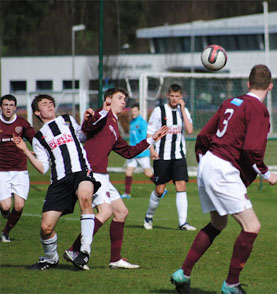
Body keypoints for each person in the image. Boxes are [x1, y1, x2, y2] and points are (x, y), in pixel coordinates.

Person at [170, 64, 277, 294]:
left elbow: (203, 136)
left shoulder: (231, 101)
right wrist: (266, 173)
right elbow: (251, 148)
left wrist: (205, 162)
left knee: (218, 223)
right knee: (252, 227)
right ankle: (231, 284)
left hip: (209, 161)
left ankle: (183, 274)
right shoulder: (258, 109)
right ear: (270, 87)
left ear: (248, 84)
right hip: (223, 168)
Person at [63, 88, 167, 270]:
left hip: (103, 175)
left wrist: (152, 140)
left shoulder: (113, 122)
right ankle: (74, 250)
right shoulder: (100, 117)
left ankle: (115, 259)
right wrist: (98, 112)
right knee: (105, 212)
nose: (124, 101)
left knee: (121, 212)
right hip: (92, 173)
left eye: (125, 98)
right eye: (120, 98)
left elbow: (127, 152)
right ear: (108, 100)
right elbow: (87, 127)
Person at [14, 94, 100, 270]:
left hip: (81, 171)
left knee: (85, 197)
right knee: (46, 228)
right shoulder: (39, 138)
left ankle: (84, 251)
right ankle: (50, 258)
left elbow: (82, 137)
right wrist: (25, 150)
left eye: (51, 102)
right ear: (38, 112)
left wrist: (85, 122)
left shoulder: (67, 120)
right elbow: (42, 168)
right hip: (60, 181)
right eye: (44, 104)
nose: (49, 105)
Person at [143, 84, 195, 231]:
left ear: (181, 97)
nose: (174, 99)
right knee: (159, 190)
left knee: (181, 185)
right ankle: (149, 216)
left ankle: (183, 222)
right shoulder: (159, 111)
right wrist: (151, 150)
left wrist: (183, 110)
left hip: (178, 155)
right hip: (162, 156)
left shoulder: (183, 111)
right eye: (172, 96)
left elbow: (190, 130)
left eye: (177, 96)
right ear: (167, 95)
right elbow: (150, 133)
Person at [0, 94, 36, 242]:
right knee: (6, 206)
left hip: (20, 170)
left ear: (15, 107)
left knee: (19, 206)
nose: (8, 108)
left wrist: (36, 152)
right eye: (5, 105)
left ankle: (5, 233)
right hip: (2, 171)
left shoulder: (22, 124)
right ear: (1, 107)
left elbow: (35, 139)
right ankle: (3, 209)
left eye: (11, 105)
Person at [120, 104, 154, 199]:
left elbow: (145, 138)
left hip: (142, 152)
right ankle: (127, 193)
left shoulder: (142, 123)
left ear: (139, 111)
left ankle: (161, 187)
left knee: (148, 173)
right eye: (132, 111)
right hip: (133, 152)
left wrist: (144, 149)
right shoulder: (132, 122)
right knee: (128, 171)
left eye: (135, 111)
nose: (133, 113)